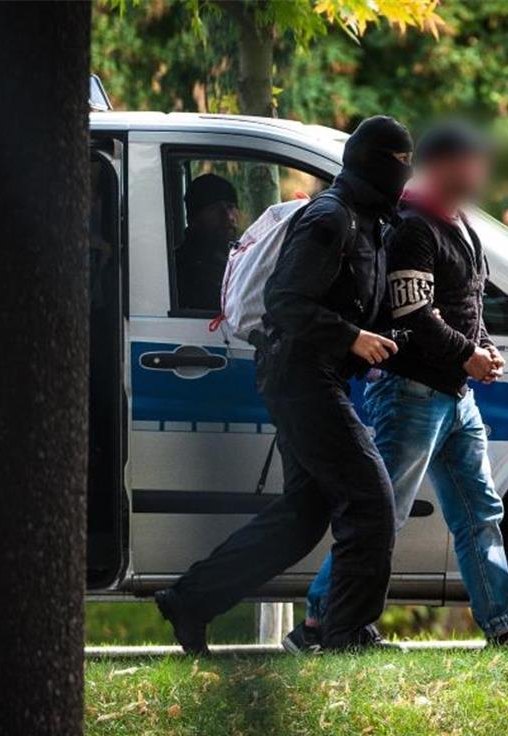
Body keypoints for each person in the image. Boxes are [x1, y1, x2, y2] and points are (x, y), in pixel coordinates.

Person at [154, 116, 415, 653]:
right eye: (398, 160)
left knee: (302, 518)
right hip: (301, 377)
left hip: (314, 377)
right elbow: (285, 302)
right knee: (370, 500)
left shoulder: (368, 221)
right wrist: (351, 338)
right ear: (373, 162)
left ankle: (190, 601)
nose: (406, 172)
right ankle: (346, 632)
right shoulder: (330, 218)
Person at [284, 121, 508, 653]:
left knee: (480, 510)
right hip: (410, 392)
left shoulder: (461, 223)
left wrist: (483, 347)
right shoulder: (414, 224)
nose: (481, 173)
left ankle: (502, 625)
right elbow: (412, 311)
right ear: (446, 165)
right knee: (381, 514)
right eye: (473, 162)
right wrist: (467, 354)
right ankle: (317, 622)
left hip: (455, 396)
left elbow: (469, 302)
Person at [174, 173, 239, 312]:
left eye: (230, 207)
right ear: (194, 218)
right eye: (215, 209)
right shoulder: (184, 267)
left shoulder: (236, 254)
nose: (228, 217)